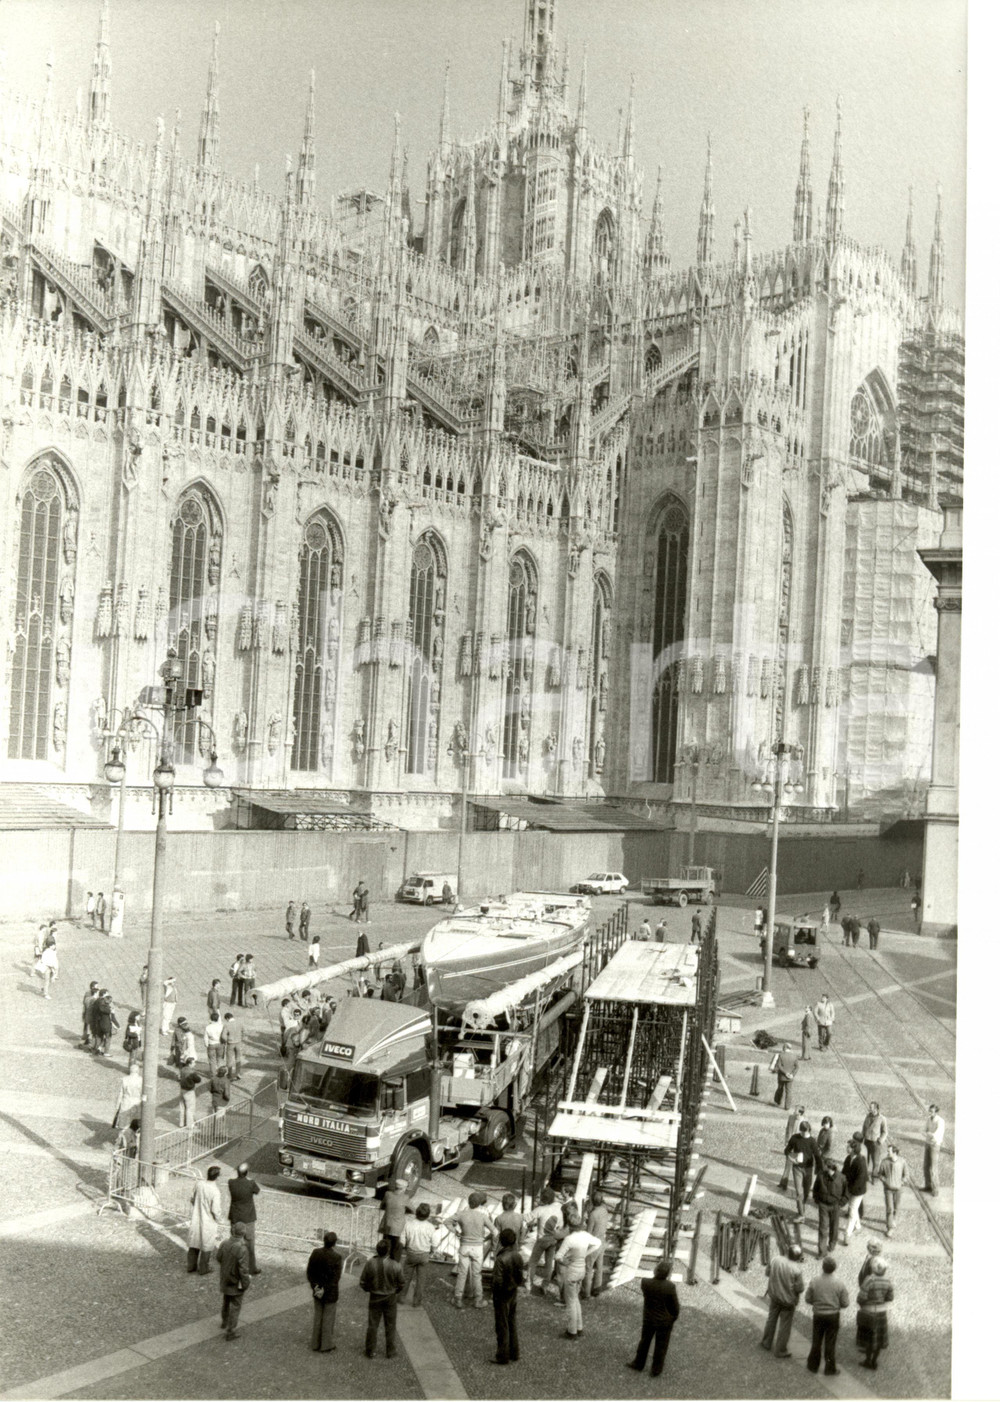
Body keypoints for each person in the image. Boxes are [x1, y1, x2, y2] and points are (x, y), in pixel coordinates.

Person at [627, 1259, 680, 1378]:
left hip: (649, 1319)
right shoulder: (670, 1287)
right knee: (661, 1346)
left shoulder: (645, 1283)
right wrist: (672, 1318)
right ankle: (656, 1369)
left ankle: (638, 1363)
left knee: (644, 1342)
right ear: (668, 1274)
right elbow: (675, 1307)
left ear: (655, 1270)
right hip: (664, 1322)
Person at [554, 1208, 601, 1340]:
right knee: (576, 1300)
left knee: (571, 1301)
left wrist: (564, 1261)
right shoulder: (585, 1235)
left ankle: (572, 1331)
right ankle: (579, 1327)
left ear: (569, 1225)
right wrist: (585, 1254)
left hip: (571, 1271)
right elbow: (598, 1243)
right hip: (582, 1270)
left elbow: (558, 1256)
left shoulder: (569, 1239)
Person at [359, 1239, 404, 1358]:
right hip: (390, 1297)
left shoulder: (370, 1263)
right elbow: (401, 1284)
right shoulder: (396, 1265)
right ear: (388, 1251)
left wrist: (370, 1289)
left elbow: (363, 1282)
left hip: (375, 1296)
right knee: (390, 1325)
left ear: (377, 1250)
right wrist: (394, 1291)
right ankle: (390, 1351)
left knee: (373, 1324)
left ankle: (370, 1351)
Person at [805, 1256, 849, 1375]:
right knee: (830, 1342)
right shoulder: (839, 1283)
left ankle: (813, 1365)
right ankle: (829, 1368)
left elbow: (807, 1298)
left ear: (823, 1267)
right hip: (833, 1316)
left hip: (818, 1315)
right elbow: (845, 1303)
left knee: (816, 1340)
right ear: (834, 1268)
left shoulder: (815, 1281)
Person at [760, 1242, 805, 1357]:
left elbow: (767, 1273)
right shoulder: (796, 1270)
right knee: (785, 1325)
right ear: (798, 1257)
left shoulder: (775, 1260)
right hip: (788, 1301)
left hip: (774, 1296)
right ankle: (780, 1350)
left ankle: (766, 1342)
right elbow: (800, 1288)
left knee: (771, 1319)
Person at [451, 1190, 494, 1309]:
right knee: (477, 1274)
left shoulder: (463, 1211)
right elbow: (494, 1230)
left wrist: (457, 1232)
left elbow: (448, 1222)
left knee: (462, 1273)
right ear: (481, 1202)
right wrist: (485, 1238)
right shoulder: (484, 1213)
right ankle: (478, 1299)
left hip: (465, 1244)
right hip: (478, 1245)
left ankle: (458, 1298)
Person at [492, 1226, 524, 1364]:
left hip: (502, 1294)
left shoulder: (500, 1258)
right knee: (512, 1322)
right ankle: (514, 1352)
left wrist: (495, 1293)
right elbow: (520, 1277)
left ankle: (502, 1355)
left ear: (502, 1241)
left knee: (502, 1325)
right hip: (513, 1291)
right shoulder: (518, 1255)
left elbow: (497, 1280)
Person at [306, 1229, 343, 1351]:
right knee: (328, 1318)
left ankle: (315, 1343)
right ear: (334, 1243)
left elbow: (310, 1272)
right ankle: (326, 1344)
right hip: (330, 1293)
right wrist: (325, 1289)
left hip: (317, 1290)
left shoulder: (315, 1253)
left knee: (318, 1317)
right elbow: (335, 1279)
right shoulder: (337, 1257)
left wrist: (315, 1287)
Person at [856, 1257, 893, 1370]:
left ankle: (867, 1360)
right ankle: (874, 1361)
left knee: (869, 1339)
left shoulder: (869, 1280)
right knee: (878, 1340)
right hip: (881, 1313)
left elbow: (861, 1297)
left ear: (873, 1268)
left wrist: (863, 1304)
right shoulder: (888, 1281)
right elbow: (890, 1297)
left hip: (869, 1312)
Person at [216, 1222, 251, 1340]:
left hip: (225, 1279)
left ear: (232, 1231)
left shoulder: (224, 1243)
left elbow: (218, 1258)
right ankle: (231, 1331)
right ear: (243, 1234)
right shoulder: (242, 1248)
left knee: (226, 1301)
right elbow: (243, 1270)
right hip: (235, 1282)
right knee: (236, 1305)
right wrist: (246, 1283)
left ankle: (224, 1321)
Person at [187, 1165, 224, 1274]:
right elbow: (215, 1210)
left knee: (194, 1242)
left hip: (196, 1217)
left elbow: (192, 1199)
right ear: (217, 1177)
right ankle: (203, 1268)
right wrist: (219, 1220)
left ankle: (191, 1266)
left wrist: (197, 1207)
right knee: (206, 1244)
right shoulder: (215, 1191)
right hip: (208, 1221)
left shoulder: (199, 1184)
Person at [527, 1187, 564, 1294]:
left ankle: (529, 1283)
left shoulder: (540, 1209)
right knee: (549, 1263)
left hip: (542, 1239)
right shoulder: (560, 1208)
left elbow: (527, 1218)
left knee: (533, 1261)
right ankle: (545, 1285)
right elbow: (560, 1225)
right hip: (553, 1238)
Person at [400, 1201, 436, 1307]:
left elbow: (402, 1240)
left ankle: (402, 1297)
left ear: (416, 1213)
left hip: (411, 1253)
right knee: (421, 1279)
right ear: (428, 1215)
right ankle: (416, 1301)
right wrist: (432, 1251)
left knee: (406, 1276)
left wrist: (405, 1247)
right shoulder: (430, 1227)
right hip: (424, 1254)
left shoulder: (409, 1224)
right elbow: (434, 1242)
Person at [228, 1163, 262, 1274]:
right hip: (248, 1218)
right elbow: (257, 1191)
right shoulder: (251, 1183)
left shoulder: (231, 1183)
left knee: (235, 1243)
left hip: (235, 1217)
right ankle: (252, 1268)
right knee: (250, 1245)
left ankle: (234, 1267)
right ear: (247, 1172)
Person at [784, 1120, 820, 1220]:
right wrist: (791, 1159)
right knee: (799, 1192)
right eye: (802, 1131)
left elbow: (817, 1157)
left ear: (809, 1130)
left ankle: (801, 1205)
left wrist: (819, 1170)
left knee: (807, 1191)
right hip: (797, 1168)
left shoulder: (812, 1141)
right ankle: (801, 1214)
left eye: (806, 1131)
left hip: (808, 1169)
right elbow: (786, 1151)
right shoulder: (795, 1138)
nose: (804, 1134)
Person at [813, 1159, 848, 1258]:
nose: (823, 1168)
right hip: (823, 1205)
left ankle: (832, 1244)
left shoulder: (842, 1178)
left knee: (834, 1227)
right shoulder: (820, 1176)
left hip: (835, 1206)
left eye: (825, 1166)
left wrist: (841, 1203)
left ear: (829, 1168)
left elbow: (847, 1193)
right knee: (823, 1228)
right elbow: (815, 1189)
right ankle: (822, 1252)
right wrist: (817, 1200)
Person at [582, 1190, 610, 1298]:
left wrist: (585, 1222)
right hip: (602, 1240)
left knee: (588, 1268)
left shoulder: (593, 1214)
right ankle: (597, 1288)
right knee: (599, 1266)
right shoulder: (604, 1210)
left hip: (594, 1243)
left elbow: (589, 1232)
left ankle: (586, 1292)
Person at [843, 1134, 870, 1239]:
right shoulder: (848, 1158)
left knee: (852, 1210)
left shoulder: (860, 1162)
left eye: (848, 1147)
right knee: (853, 1208)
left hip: (858, 1191)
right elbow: (844, 1173)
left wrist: (850, 1190)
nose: (846, 1148)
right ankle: (858, 1226)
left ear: (853, 1149)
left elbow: (860, 1180)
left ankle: (847, 1233)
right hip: (850, 1188)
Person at [380, 1178, 410, 1262]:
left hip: (386, 1226)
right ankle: (393, 1268)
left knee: (385, 1248)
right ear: (403, 1188)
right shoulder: (405, 1198)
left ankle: (383, 1265)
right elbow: (413, 1210)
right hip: (397, 1229)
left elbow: (382, 1206)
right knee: (396, 1252)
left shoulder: (387, 1194)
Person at [922, 1103, 945, 1196]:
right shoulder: (928, 1119)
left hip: (935, 1145)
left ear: (936, 1112)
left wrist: (929, 1134)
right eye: (929, 1111)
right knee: (926, 1166)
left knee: (933, 1168)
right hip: (928, 1143)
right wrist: (928, 1134)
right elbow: (923, 1130)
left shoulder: (940, 1121)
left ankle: (935, 1190)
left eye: (932, 1111)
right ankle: (928, 1186)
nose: (930, 1113)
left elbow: (937, 1134)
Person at [861, 1101, 889, 1174]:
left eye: (871, 1107)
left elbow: (885, 1132)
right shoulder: (867, 1116)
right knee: (865, 1158)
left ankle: (874, 1177)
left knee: (875, 1161)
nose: (869, 1108)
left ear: (876, 1109)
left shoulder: (882, 1118)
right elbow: (864, 1127)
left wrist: (880, 1140)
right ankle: (864, 1175)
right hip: (867, 1141)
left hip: (875, 1143)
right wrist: (862, 1137)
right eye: (870, 1107)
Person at [113, 1063, 143, 1130]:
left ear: (130, 1070)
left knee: (123, 1123)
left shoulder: (125, 1079)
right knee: (135, 1124)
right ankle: (133, 1138)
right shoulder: (141, 1080)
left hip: (126, 1102)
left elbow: (121, 1093)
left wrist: (117, 1105)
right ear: (138, 1071)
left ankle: (121, 1138)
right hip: (137, 1102)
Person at [772, 1042, 798, 1109]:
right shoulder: (794, 1056)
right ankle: (787, 1106)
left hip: (782, 1076)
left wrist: (785, 1073)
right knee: (789, 1091)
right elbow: (797, 1067)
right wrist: (792, 1074)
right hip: (790, 1077)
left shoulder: (781, 1055)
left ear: (785, 1047)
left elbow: (779, 1066)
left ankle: (778, 1101)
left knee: (780, 1088)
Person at [92, 988, 118, 1055]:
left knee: (99, 1037)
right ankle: (105, 1052)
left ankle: (97, 1049)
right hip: (104, 1023)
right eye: (107, 993)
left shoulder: (97, 1000)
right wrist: (111, 1011)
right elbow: (104, 1011)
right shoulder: (103, 1002)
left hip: (98, 1022)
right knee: (107, 1038)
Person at [221, 1012, 243, 1081]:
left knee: (229, 1059)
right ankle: (238, 1073)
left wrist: (226, 1041)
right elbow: (244, 1031)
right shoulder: (239, 1023)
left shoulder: (227, 1025)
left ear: (227, 1018)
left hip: (230, 1043)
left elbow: (223, 1036)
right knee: (238, 1058)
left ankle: (229, 1074)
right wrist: (240, 1038)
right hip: (238, 1042)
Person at [79, 980, 100, 1048]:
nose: (98, 988)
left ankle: (86, 1041)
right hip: (88, 1015)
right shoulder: (88, 994)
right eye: (96, 987)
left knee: (87, 1029)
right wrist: (94, 997)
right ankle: (81, 1043)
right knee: (87, 1030)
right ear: (92, 987)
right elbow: (87, 1003)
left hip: (90, 1015)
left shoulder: (94, 993)